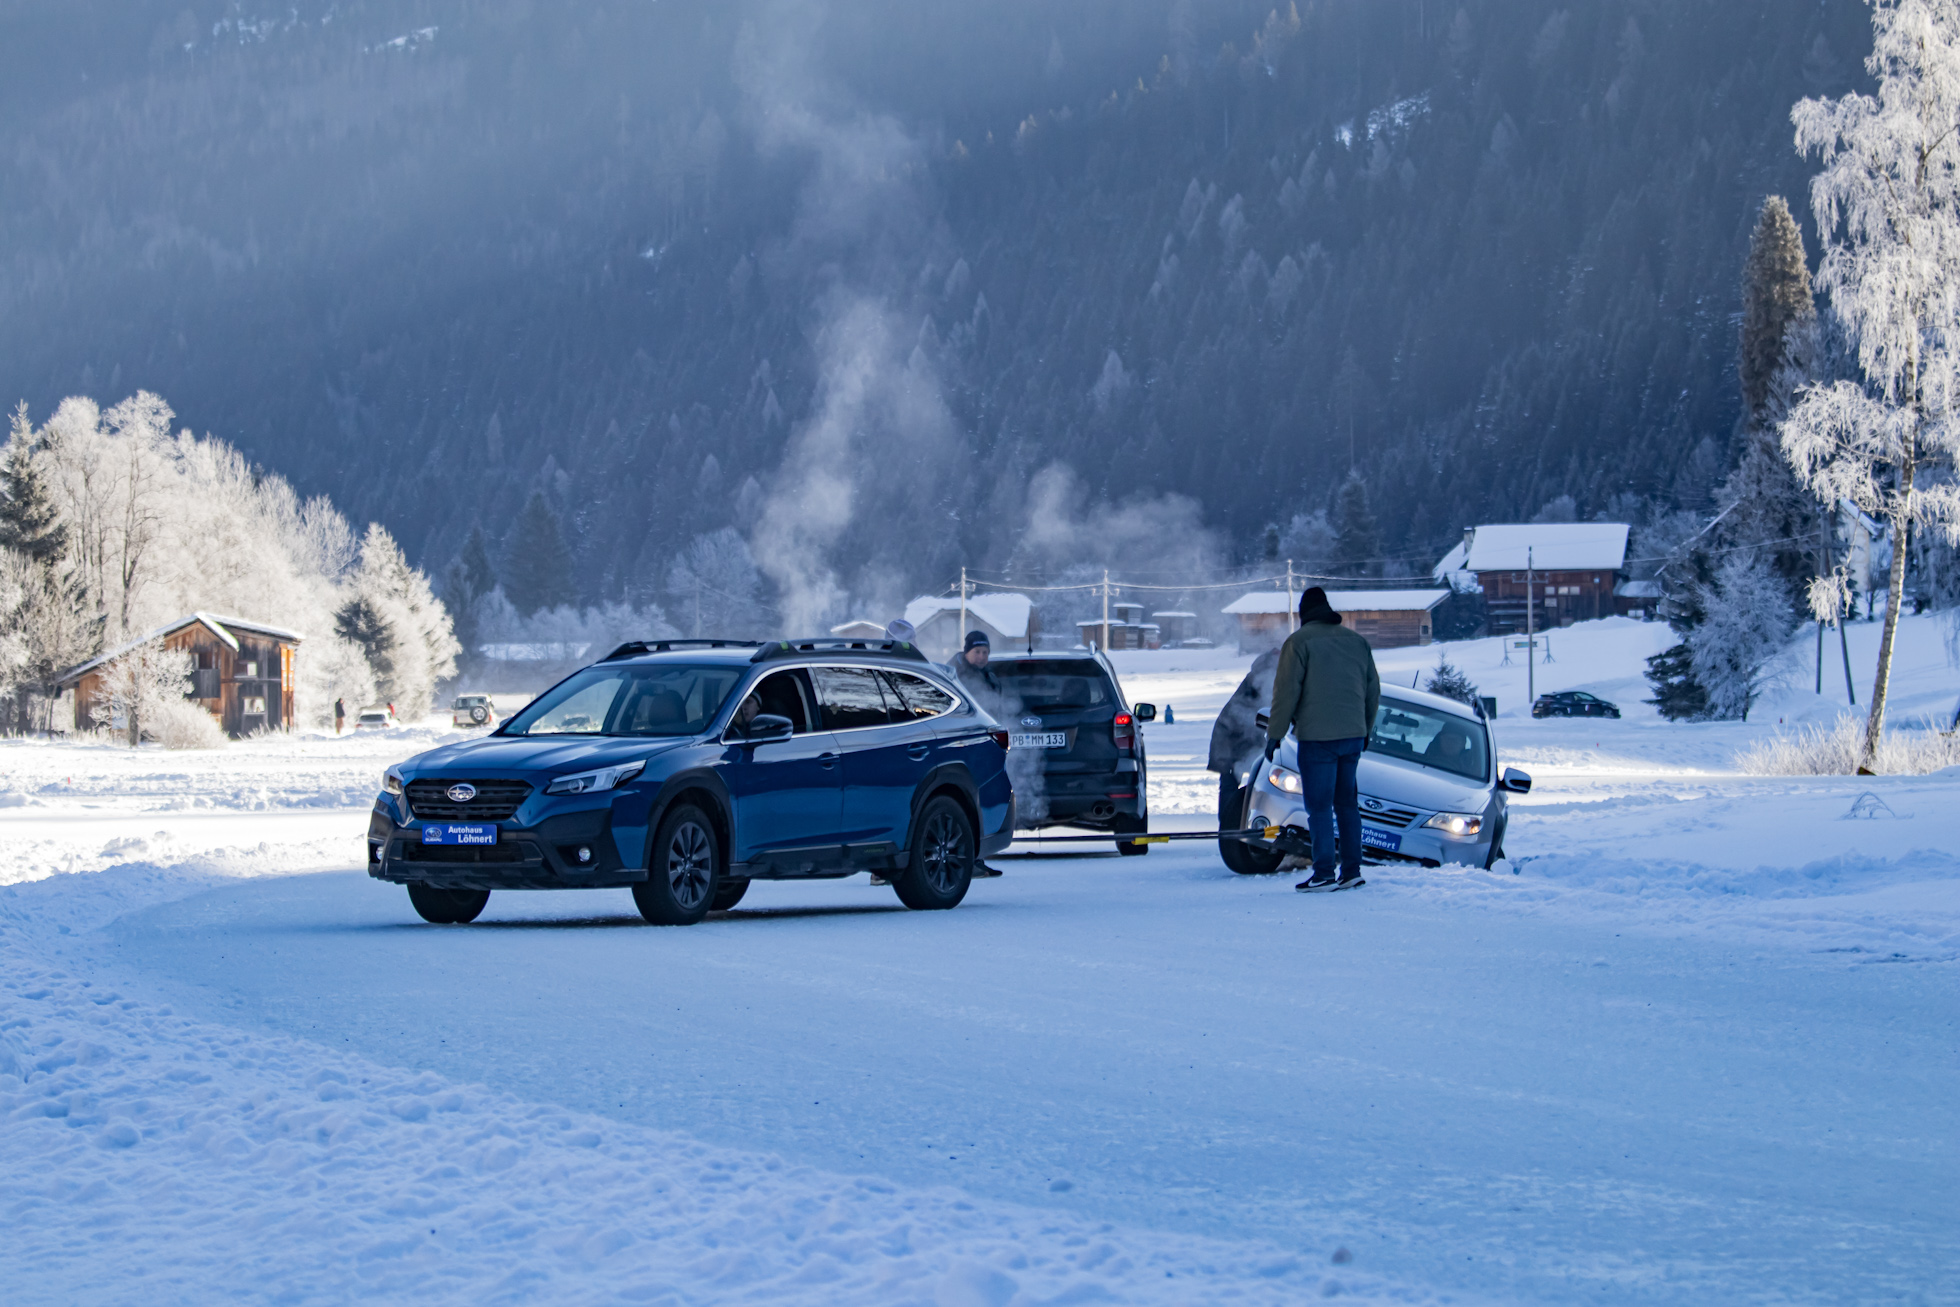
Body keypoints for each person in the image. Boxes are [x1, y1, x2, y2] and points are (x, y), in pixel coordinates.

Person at [1265, 586, 1381, 892]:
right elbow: (1373, 691)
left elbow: (1286, 692)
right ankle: (1352, 871)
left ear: (1304, 614)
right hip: (1353, 735)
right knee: (1347, 805)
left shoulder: (1299, 642)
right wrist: (1365, 729)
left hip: (1317, 738)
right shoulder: (1357, 642)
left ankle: (1324, 873)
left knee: (1319, 808)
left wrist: (1274, 735)